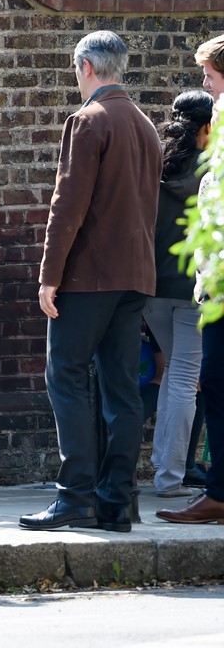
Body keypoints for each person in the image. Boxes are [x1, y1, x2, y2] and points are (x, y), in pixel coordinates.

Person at [19, 30, 161, 533]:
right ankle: (117, 501)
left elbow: (67, 207)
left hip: (89, 275)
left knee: (66, 376)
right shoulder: (145, 125)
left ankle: (74, 495)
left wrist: (48, 276)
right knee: (122, 389)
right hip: (136, 276)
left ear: (86, 68)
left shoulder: (88, 120)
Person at [158, 36, 224, 525]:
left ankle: (202, 485)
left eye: (210, 76)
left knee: (200, 381)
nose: (207, 85)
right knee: (200, 380)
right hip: (202, 285)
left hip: (199, 284)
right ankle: (201, 482)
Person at [143, 90, 211, 498]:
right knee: (186, 379)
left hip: (152, 289)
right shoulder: (213, 172)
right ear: (207, 126)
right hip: (192, 290)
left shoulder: (155, 166)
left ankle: (162, 465)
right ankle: (170, 477)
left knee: (174, 377)